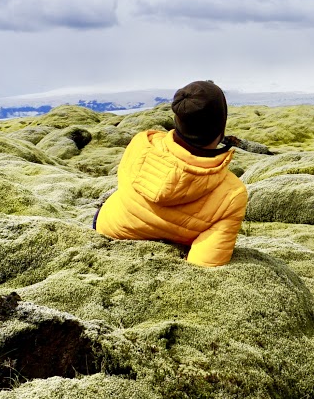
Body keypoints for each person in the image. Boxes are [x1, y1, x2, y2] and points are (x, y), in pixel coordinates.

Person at [95, 79, 248, 267]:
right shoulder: (232, 194)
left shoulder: (142, 143)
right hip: (147, 258)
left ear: (178, 119)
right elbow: (205, 264)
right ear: (220, 129)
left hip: (107, 227)